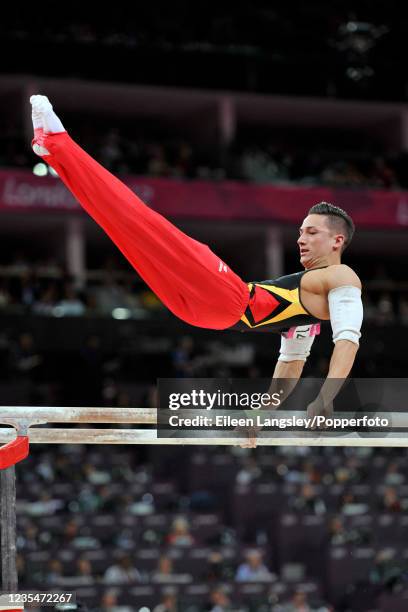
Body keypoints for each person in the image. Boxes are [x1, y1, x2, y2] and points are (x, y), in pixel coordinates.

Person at [29, 96, 363, 426]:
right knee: (122, 228)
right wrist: (260, 415)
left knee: (140, 221)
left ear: (337, 241)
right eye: (301, 231)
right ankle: (56, 152)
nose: (301, 239)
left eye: (312, 232)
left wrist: (324, 399)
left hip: (226, 301)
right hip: (205, 312)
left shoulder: (342, 277)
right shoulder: (311, 307)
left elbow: (347, 340)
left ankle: (59, 143)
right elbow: (290, 366)